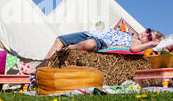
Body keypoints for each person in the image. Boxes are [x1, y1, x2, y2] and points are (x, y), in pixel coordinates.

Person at [25, 28, 164, 75]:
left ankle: (69, 49)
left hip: (99, 41)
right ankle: (38, 68)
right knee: (59, 40)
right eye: (147, 31)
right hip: (91, 33)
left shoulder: (138, 43)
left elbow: (133, 49)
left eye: (149, 36)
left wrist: (151, 44)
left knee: (90, 44)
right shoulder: (129, 34)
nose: (146, 34)